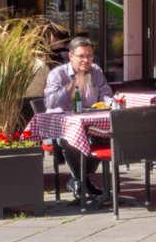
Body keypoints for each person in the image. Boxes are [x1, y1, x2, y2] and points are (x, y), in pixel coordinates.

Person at [43, 38, 114, 197]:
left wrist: (113, 103)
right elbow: (49, 102)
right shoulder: (58, 74)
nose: (86, 60)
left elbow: (105, 93)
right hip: (62, 125)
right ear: (70, 56)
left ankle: (78, 180)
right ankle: (84, 182)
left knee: (106, 135)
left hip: (89, 122)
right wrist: (72, 85)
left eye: (89, 56)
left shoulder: (95, 71)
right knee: (71, 138)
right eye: (81, 56)